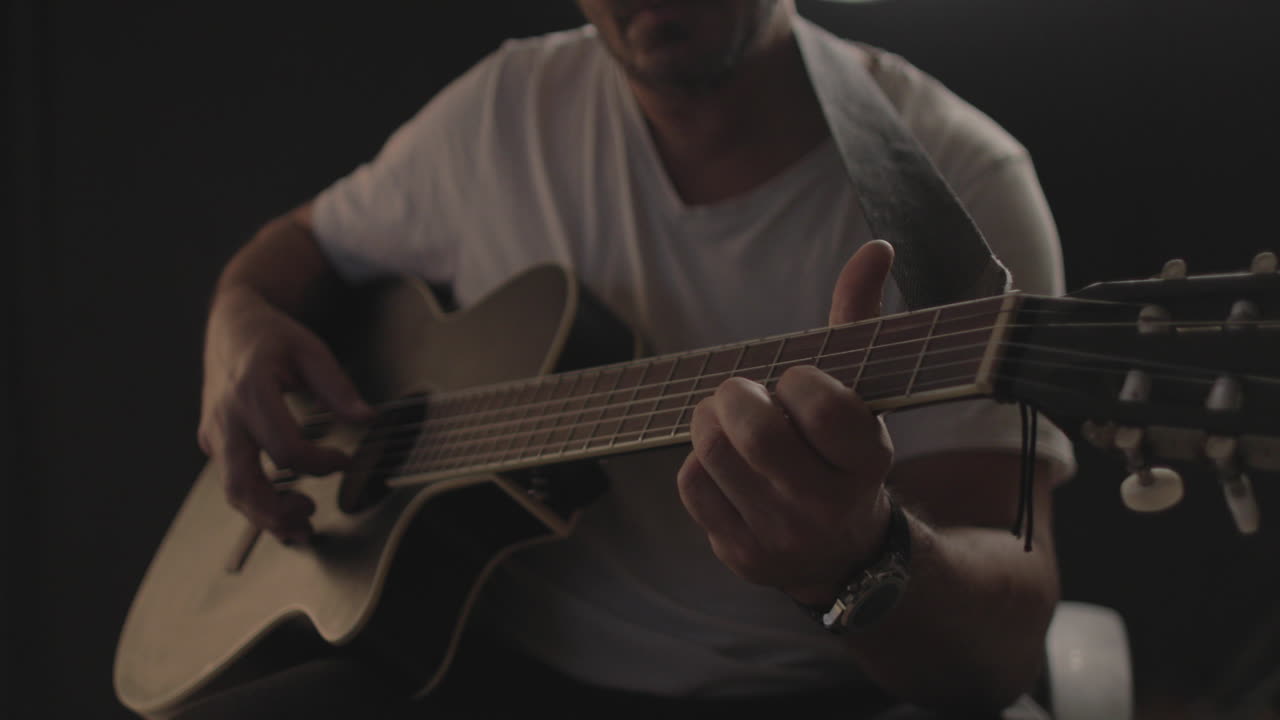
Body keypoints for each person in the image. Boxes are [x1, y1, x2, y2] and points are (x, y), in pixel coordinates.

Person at [190, 1, 1076, 718]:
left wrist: (855, 557)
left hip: (800, 693)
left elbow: (993, 661)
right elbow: (303, 242)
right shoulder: (505, 110)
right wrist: (239, 317)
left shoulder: (961, 183)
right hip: (478, 666)